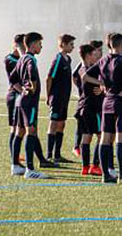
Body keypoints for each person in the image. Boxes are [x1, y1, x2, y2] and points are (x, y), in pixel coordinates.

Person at [83, 33, 122, 184]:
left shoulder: (103, 60)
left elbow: (85, 77)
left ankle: (105, 175)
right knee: (121, 137)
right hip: (121, 102)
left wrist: (101, 84)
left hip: (106, 102)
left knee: (105, 138)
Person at [11, 32, 50, 179]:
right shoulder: (31, 60)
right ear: (33, 44)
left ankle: (15, 165)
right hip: (29, 102)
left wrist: (22, 90)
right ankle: (30, 169)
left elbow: (13, 79)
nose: (41, 46)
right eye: (40, 44)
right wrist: (32, 88)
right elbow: (31, 73)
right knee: (31, 131)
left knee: (19, 132)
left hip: (21, 100)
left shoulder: (21, 59)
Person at [46, 34, 76, 163]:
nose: (73, 47)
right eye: (71, 44)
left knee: (61, 124)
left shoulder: (68, 59)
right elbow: (49, 78)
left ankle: (57, 154)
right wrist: (49, 96)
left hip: (65, 98)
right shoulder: (58, 59)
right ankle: (49, 155)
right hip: (56, 98)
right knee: (53, 123)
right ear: (63, 44)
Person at [74, 44, 103, 176]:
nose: (96, 56)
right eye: (93, 54)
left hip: (82, 107)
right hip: (92, 108)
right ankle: (95, 165)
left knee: (86, 138)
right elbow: (86, 79)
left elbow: (79, 78)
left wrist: (100, 88)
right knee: (101, 136)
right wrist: (102, 85)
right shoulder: (89, 70)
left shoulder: (81, 68)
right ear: (88, 56)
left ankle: (85, 167)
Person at [6, 34, 26, 175]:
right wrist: (24, 93)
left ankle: (16, 156)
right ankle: (14, 160)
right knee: (15, 128)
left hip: (20, 96)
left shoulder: (22, 58)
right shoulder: (10, 59)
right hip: (15, 96)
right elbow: (14, 81)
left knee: (21, 128)